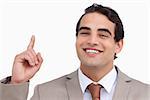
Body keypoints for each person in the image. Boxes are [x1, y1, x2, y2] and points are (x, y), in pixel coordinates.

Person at [0, 3, 150, 100]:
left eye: (103, 35)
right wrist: (17, 83)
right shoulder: (44, 93)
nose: (92, 41)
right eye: (85, 33)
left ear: (118, 45)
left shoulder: (145, 94)